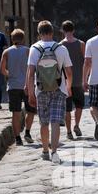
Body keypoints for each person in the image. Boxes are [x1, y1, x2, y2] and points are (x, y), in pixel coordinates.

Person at [27, 21, 73, 164]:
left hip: (40, 90)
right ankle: (54, 152)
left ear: (39, 33)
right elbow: (69, 72)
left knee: (44, 122)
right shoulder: (61, 48)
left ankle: (45, 151)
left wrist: (30, 93)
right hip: (59, 89)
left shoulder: (34, 48)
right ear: (52, 32)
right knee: (55, 121)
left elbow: (30, 73)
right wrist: (69, 87)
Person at [0, 29, 36, 146]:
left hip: (13, 86)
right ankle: (27, 132)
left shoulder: (6, 52)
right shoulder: (28, 51)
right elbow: (33, 68)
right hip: (27, 85)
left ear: (12, 39)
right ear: (23, 39)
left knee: (15, 113)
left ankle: (17, 138)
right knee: (30, 110)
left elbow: (1, 69)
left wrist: (9, 74)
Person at [61, 20, 85, 140]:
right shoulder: (81, 44)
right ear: (73, 30)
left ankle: (69, 131)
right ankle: (76, 125)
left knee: (67, 108)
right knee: (79, 105)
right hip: (78, 80)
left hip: (65, 83)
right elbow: (86, 61)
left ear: (63, 30)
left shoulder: (60, 45)